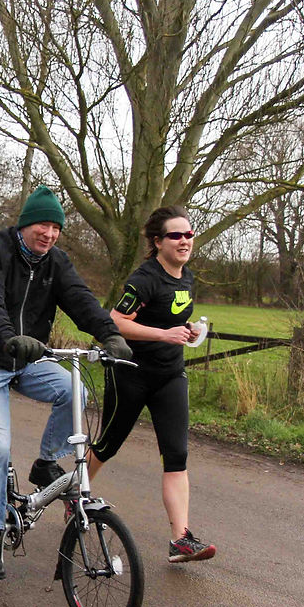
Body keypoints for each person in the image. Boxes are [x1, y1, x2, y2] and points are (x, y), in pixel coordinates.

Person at [0, 185, 132, 580]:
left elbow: (81, 300)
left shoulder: (56, 262)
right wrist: (7, 337)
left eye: (56, 228)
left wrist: (109, 334)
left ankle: (46, 462)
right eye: (43, 225)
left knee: (74, 390)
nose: (49, 234)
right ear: (25, 224)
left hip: (28, 358)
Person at [89, 206, 216, 563]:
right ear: (158, 242)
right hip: (130, 373)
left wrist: (187, 331)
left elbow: (170, 317)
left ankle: (181, 539)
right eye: (176, 235)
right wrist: (163, 334)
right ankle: (77, 492)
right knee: (107, 445)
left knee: (176, 455)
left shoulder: (186, 276)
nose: (185, 241)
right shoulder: (144, 279)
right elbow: (116, 321)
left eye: (189, 234)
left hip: (170, 375)